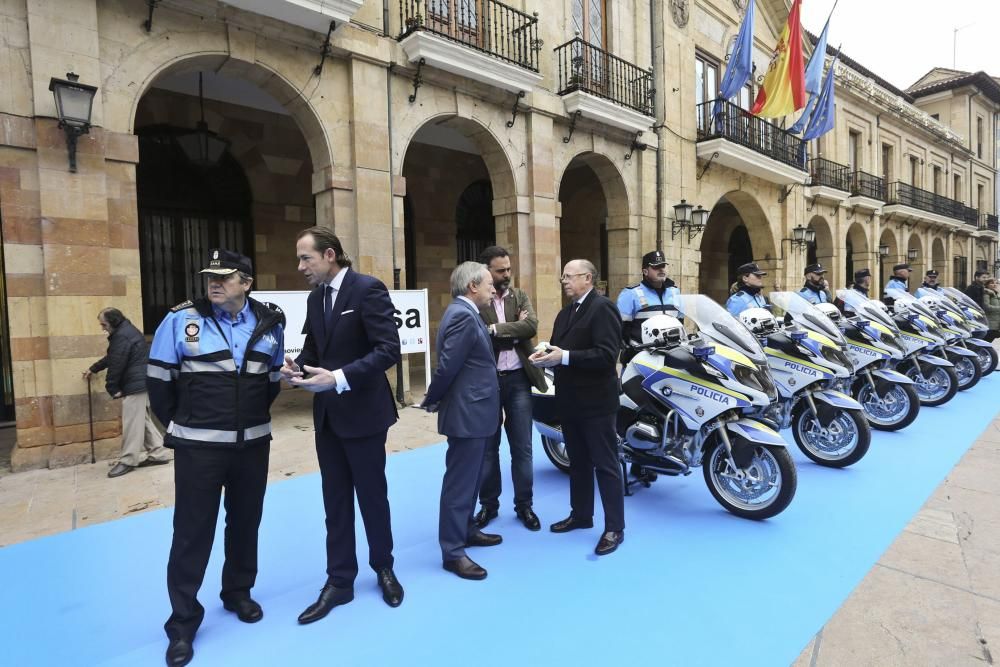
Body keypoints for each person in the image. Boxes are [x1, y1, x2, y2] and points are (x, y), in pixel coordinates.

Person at [147, 248, 285, 667]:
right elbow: (159, 384)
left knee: (245, 524)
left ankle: (238, 593)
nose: (213, 283)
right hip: (198, 448)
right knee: (192, 532)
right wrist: (186, 424)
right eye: (210, 276)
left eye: (224, 277)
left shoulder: (270, 321)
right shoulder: (181, 320)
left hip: (253, 446)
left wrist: (247, 420)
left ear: (246, 282)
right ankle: (183, 623)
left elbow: (272, 382)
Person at [282, 226, 404, 622]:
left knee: (371, 495)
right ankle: (339, 582)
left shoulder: (368, 289)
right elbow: (316, 350)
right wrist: (296, 369)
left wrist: (339, 377)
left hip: (365, 415)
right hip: (328, 418)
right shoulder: (315, 299)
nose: (300, 266)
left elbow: (388, 350)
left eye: (306, 258)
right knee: (334, 501)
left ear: (330, 254)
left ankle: (383, 567)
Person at [529, 259, 624, 556]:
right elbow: (559, 349)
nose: (564, 281)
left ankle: (614, 527)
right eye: (563, 277)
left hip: (596, 403)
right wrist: (544, 355)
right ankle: (581, 515)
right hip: (570, 401)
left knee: (606, 464)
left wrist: (564, 357)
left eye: (569, 276)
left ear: (588, 278)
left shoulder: (603, 307)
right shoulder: (565, 313)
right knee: (578, 463)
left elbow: (607, 355)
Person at [420, 262, 503, 580]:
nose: (493, 289)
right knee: (460, 483)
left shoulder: (467, 314)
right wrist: (432, 399)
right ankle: (453, 552)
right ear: (472, 287)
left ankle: (467, 529)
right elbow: (447, 368)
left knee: (471, 479)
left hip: (477, 412)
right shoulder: (462, 316)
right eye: (488, 284)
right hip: (467, 415)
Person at [473, 246, 547, 532]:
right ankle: (488, 506)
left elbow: (530, 326)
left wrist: (496, 330)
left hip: (518, 380)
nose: (506, 275)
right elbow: (479, 332)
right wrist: (510, 329)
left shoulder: (520, 295)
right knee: (488, 449)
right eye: (500, 270)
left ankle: (524, 506)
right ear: (486, 271)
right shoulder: (477, 300)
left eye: (508, 269)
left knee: (522, 448)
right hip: (488, 382)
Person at [83, 308, 170, 478]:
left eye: (104, 324)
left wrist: (112, 388)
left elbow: (116, 364)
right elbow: (113, 357)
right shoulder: (125, 332)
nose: (102, 328)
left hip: (135, 384)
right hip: (140, 382)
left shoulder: (122, 335)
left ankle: (128, 460)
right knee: (141, 420)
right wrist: (94, 368)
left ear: (113, 321)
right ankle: (159, 453)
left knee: (131, 422)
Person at [617, 250, 680, 360]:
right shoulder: (630, 293)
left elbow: (680, 323)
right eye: (656, 267)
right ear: (645, 271)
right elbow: (620, 330)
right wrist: (629, 351)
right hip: (641, 356)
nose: (661, 269)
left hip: (671, 355)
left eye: (663, 266)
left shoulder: (675, 292)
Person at [982, 277, 1000, 343]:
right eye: (992, 283)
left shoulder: (995, 294)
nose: (994, 284)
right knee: (986, 342)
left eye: (996, 283)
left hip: (996, 323)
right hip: (990, 323)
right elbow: (986, 307)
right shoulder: (987, 294)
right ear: (987, 285)